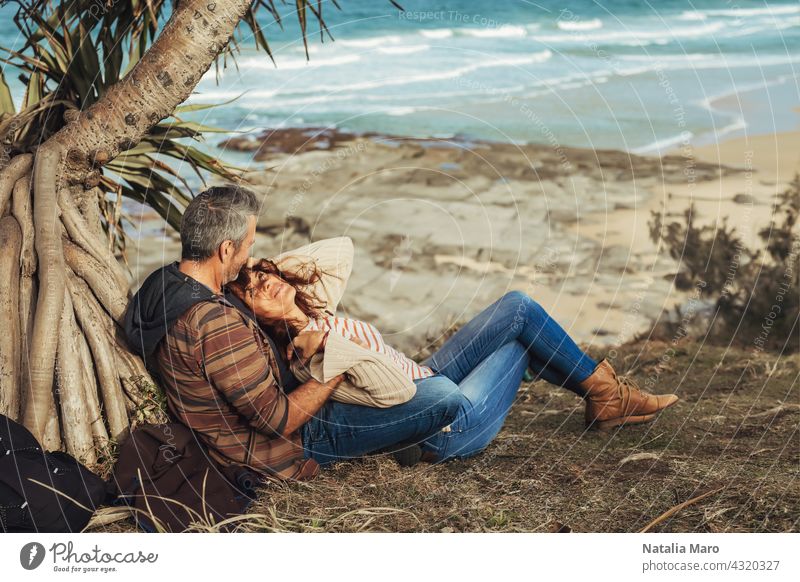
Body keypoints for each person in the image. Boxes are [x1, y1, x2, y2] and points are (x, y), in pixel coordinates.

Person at [229, 235, 681, 465]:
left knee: (518, 307)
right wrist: (333, 349)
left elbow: (340, 251)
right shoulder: (306, 353)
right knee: (522, 345)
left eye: (262, 275)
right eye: (253, 291)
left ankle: (603, 392)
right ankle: (606, 395)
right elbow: (394, 396)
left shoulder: (314, 310)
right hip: (442, 424)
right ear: (253, 317)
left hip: (426, 374)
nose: (264, 283)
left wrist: (265, 268)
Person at [123, 185, 462, 480]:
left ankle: (397, 440)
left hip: (277, 407)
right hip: (290, 443)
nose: (250, 256)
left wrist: (260, 270)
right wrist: (335, 367)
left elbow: (337, 252)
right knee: (442, 395)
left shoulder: (165, 284)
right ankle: (414, 440)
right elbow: (276, 421)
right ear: (225, 249)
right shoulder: (214, 324)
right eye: (247, 247)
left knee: (418, 383)